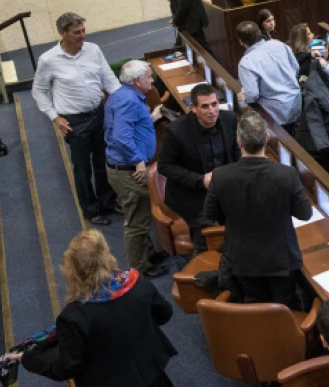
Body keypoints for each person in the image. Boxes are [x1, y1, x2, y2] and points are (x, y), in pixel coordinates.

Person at [15, 229, 177, 387]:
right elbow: (164, 314)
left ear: (72, 269)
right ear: (106, 255)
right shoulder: (137, 283)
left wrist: (28, 359)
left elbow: (66, 367)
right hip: (150, 372)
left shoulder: (73, 317)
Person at [204, 111, 312, 310]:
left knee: (253, 304)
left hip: (242, 259)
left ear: (239, 142)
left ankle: (257, 338)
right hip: (281, 259)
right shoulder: (286, 174)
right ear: (267, 138)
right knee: (283, 307)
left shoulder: (220, 176)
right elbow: (305, 214)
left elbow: (210, 215)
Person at [32, 13, 120, 226]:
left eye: (83, 30)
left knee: (103, 161)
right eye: (76, 32)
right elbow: (38, 92)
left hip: (99, 114)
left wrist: (122, 102)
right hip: (74, 122)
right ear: (62, 33)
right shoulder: (48, 60)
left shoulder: (93, 50)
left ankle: (107, 201)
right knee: (82, 169)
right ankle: (91, 210)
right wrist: (55, 118)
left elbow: (109, 79)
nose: (82, 35)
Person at [104, 61, 168, 278]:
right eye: (149, 77)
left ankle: (147, 255)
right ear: (138, 81)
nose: (152, 80)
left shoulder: (123, 95)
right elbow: (121, 136)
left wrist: (152, 118)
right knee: (137, 224)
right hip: (129, 171)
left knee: (140, 217)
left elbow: (130, 127)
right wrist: (139, 160)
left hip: (123, 167)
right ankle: (140, 269)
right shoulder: (129, 102)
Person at [158, 84, 239, 253]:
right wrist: (200, 180)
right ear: (193, 108)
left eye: (215, 104)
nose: (212, 111)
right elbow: (165, 166)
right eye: (205, 106)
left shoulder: (229, 119)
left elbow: (234, 152)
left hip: (224, 189)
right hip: (193, 194)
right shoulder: (176, 131)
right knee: (206, 238)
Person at [236, 21, 302, 134]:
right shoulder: (279, 44)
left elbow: (252, 94)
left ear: (240, 41)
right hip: (296, 104)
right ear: (259, 32)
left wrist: (244, 95)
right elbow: (296, 69)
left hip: (275, 116)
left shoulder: (246, 62)